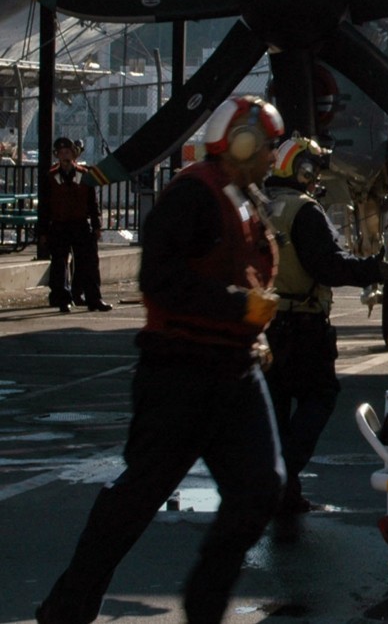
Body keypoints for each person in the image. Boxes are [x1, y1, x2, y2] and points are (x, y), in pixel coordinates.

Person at [37, 95, 285, 624]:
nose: (273, 157)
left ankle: (204, 607)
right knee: (138, 496)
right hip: (181, 370)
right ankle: (69, 605)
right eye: (267, 146)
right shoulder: (194, 196)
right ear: (240, 142)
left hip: (235, 369)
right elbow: (160, 281)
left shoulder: (246, 197)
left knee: (260, 488)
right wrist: (238, 306)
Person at [262, 136, 388, 516]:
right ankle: (281, 477)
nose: (316, 180)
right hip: (304, 325)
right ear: (304, 170)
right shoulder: (305, 212)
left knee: (277, 407)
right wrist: (372, 269)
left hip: (266, 323)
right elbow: (328, 265)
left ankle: (286, 493)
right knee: (321, 396)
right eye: (313, 171)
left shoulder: (263, 207)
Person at [46, 136, 106, 313]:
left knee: (88, 263)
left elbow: (92, 202)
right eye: (61, 153)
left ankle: (93, 299)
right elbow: (45, 205)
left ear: (73, 155)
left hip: (80, 224)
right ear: (57, 155)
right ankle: (62, 299)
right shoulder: (51, 177)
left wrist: (96, 225)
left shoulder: (84, 174)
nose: (65, 156)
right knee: (59, 263)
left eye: (68, 152)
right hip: (59, 224)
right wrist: (43, 231)